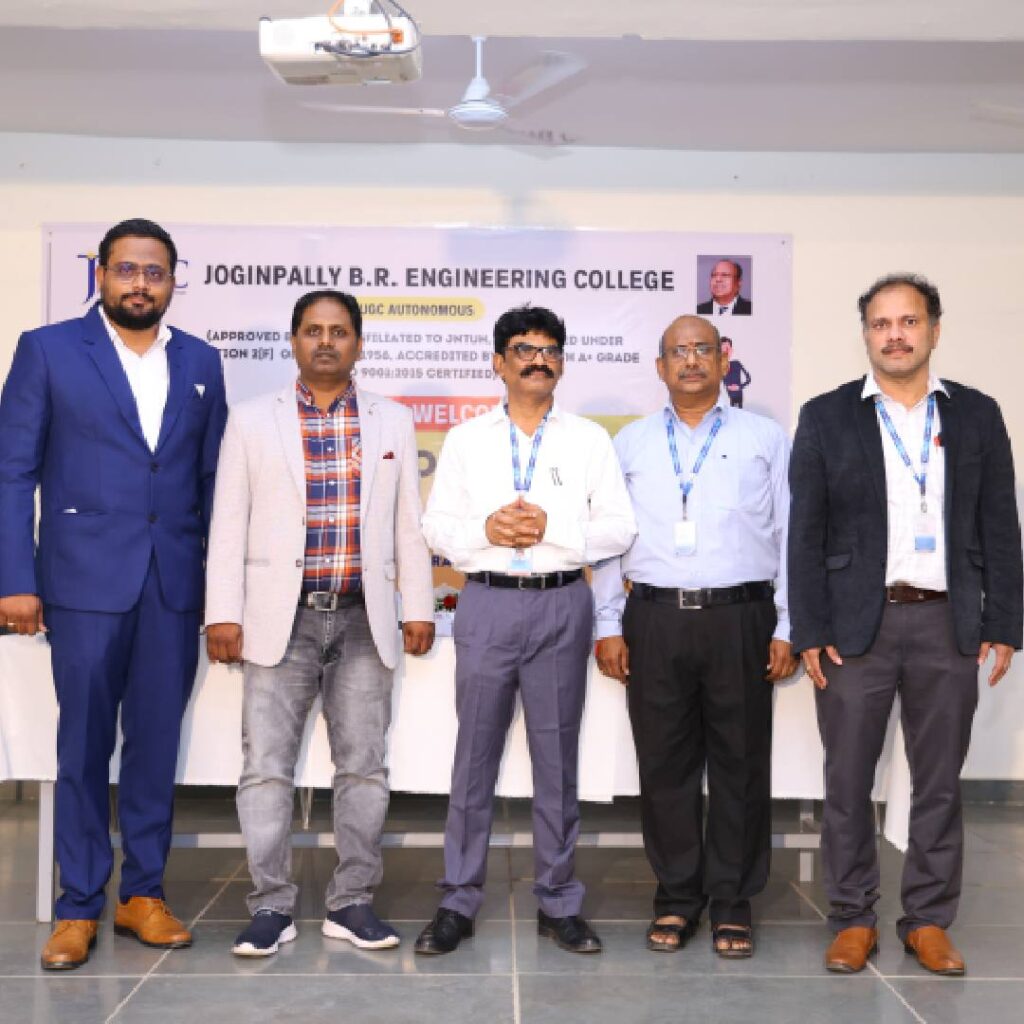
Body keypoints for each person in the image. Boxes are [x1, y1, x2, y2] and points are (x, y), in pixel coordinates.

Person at [0, 218, 227, 970]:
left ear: (172, 281)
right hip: (82, 583)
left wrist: (219, 589)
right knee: (83, 745)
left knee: (156, 745)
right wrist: (15, 580)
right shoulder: (48, 350)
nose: (140, 284)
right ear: (99, 274)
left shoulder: (200, 360)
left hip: (173, 583)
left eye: (155, 272)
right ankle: (78, 905)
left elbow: (211, 483)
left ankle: (143, 896)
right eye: (127, 269)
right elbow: (12, 473)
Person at [788, 273, 1022, 976]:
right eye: (881, 323)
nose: (895, 335)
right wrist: (809, 630)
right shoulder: (826, 416)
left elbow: (1001, 525)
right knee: (847, 780)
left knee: (940, 782)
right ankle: (852, 918)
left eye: (909, 321)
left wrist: (1004, 620)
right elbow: (805, 532)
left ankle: (927, 920)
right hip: (855, 630)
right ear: (866, 334)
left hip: (946, 622)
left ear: (934, 330)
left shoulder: (977, 414)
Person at [204, 290, 435, 957]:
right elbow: (228, 523)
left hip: (364, 620)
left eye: (338, 331)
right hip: (279, 621)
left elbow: (408, 524)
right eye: (313, 330)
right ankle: (270, 906)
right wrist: (223, 612)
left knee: (363, 768)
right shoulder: (252, 420)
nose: (326, 341)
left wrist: (417, 606)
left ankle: (351, 901)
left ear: (358, 343)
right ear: (294, 341)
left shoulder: (392, 420)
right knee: (266, 770)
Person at [415, 305, 636, 956]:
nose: (538, 360)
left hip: (562, 603)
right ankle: (457, 900)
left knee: (557, 761)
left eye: (550, 350)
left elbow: (619, 528)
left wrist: (552, 531)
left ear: (561, 363)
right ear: (498, 362)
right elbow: (436, 528)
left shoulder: (588, 440)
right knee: (473, 760)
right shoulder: (467, 440)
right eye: (524, 349)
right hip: (486, 604)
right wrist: (486, 530)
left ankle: (559, 900)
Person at [593, 315, 796, 958]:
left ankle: (733, 901)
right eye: (677, 352)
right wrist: (607, 623)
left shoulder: (765, 437)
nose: (690, 361)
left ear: (723, 359)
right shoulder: (630, 443)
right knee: (665, 766)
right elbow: (608, 539)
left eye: (701, 349)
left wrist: (787, 624)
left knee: (741, 763)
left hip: (741, 617)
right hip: (654, 618)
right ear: (660, 367)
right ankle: (678, 898)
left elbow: (791, 533)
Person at [721, 337, 752, 407]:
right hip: (728, 398)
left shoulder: (736, 363)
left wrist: (739, 387)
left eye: (727, 348)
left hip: (738, 396)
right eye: (722, 349)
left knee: (738, 409)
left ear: (731, 350)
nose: (725, 352)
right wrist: (727, 386)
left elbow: (748, 378)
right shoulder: (720, 366)